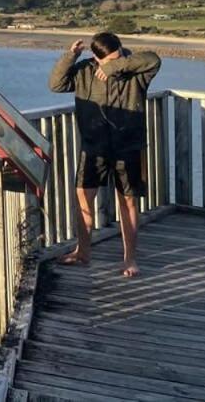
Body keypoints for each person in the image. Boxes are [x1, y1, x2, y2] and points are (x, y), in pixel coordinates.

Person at [48, 31, 161, 277]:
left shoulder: (135, 70)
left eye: (119, 55)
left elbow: (154, 59)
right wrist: (70, 56)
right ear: (95, 58)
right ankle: (83, 252)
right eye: (110, 59)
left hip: (129, 145)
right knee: (83, 199)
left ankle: (130, 259)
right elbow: (56, 84)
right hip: (94, 147)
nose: (117, 61)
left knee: (128, 202)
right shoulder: (84, 71)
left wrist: (115, 67)